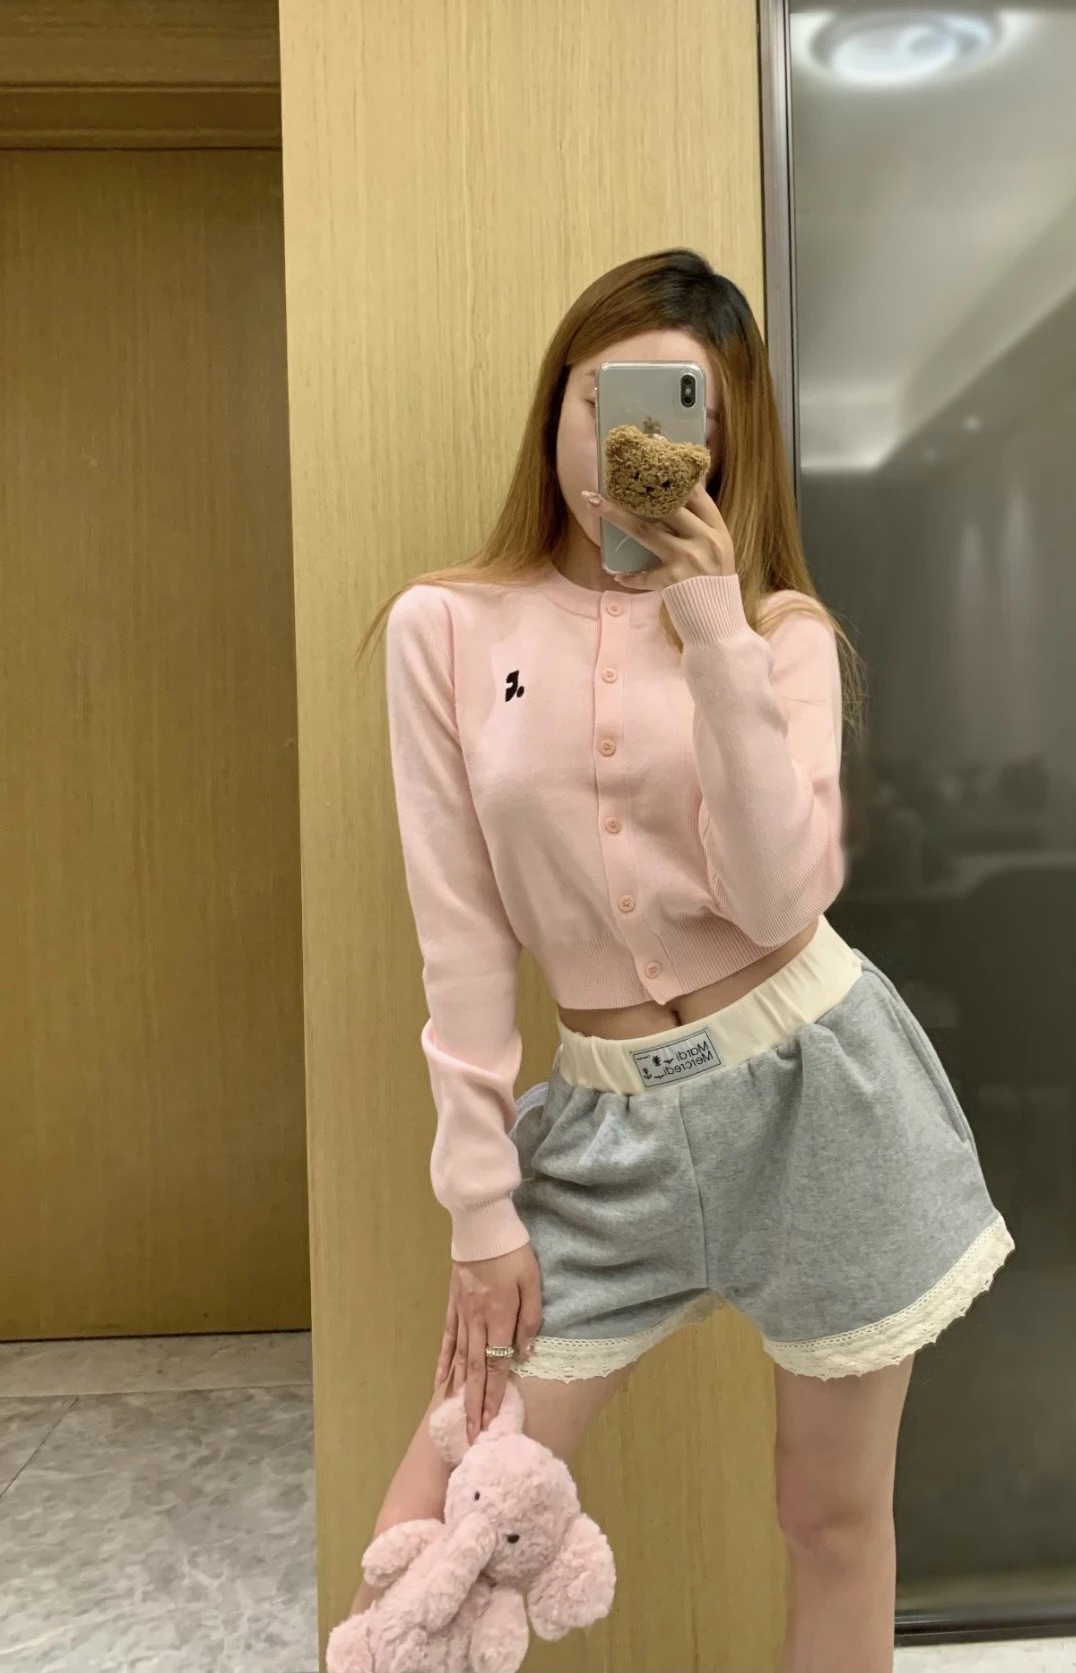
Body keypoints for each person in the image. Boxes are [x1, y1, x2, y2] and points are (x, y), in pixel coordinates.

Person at [352, 249, 1013, 1673]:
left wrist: (713, 627)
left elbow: (776, 900)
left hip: (821, 1097)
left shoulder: (781, 636)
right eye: (604, 400)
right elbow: (457, 931)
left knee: (830, 1520)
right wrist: (478, 1206)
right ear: (555, 408)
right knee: (439, 1525)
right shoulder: (446, 629)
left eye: (676, 410)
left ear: (721, 440)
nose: (631, 440)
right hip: (605, 1135)